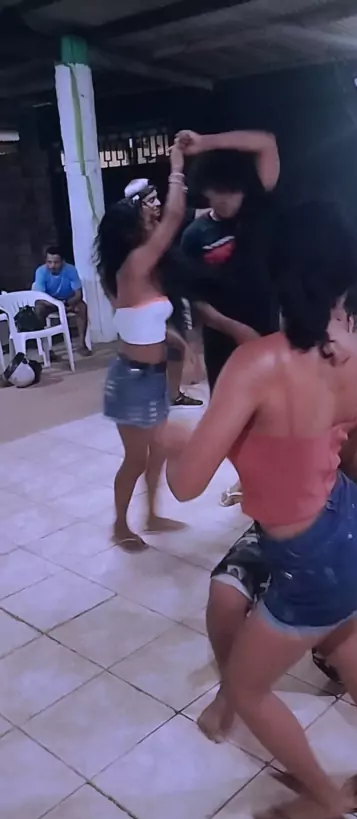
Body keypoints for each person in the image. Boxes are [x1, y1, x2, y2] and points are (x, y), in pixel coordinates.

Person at [165, 199, 357, 819]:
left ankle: (323, 798)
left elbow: (184, 484)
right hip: (352, 524)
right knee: (343, 639)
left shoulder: (257, 365)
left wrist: (177, 440)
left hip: (310, 554)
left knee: (248, 688)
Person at [201, 281, 357, 733]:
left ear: (349, 319)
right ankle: (232, 691)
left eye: (331, 317)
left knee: (337, 661)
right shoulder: (280, 369)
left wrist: (355, 438)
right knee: (224, 594)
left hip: (340, 528)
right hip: (285, 524)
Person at [95, 143, 190, 552]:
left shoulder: (144, 269)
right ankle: (120, 525)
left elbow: (140, 322)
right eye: (145, 212)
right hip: (131, 380)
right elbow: (175, 216)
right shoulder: (134, 265)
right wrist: (177, 167)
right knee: (136, 459)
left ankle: (151, 515)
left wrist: (176, 340)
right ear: (129, 231)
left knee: (158, 452)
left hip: (152, 378)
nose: (153, 214)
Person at [179, 129, 280, 504]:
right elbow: (196, 301)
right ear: (205, 191)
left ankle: (275, 477)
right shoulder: (195, 235)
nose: (225, 200)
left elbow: (266, 143)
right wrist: (234, 329)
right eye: (216, 192)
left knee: (274, 413)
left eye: (231, 191)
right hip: (223, 341)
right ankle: (248, 478)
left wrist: (204, 143)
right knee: (231, 420)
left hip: (269, 335)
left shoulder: (258, 210)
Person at [124, 178, 204, 408]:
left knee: (177, 345)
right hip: (146, 299)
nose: (157, 203)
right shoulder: (130, 235)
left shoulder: (165, 224)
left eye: (157, 198)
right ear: (139, 205)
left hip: (171, 292)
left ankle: (174, 394)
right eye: (151, 201)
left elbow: (198, 214)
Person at [33, 246, 90, 357]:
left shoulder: (71, 270)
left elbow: (78, 294)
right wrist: (58, 305)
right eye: (49, 262)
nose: (52, 266)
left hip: (68, 301)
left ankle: (82, 345)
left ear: (62, 261)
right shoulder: (41, 272)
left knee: (82, 307)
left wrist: (68, 303)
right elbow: (40, 297)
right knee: (38, 309)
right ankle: (46, 350)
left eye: (56, 262)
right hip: (49, 303)